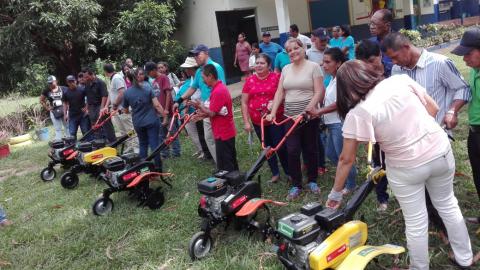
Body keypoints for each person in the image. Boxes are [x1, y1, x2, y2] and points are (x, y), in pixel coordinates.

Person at [326, 60, 473, 270]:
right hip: (440, 151)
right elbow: (433, 108)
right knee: (448, 205)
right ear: (368, 72)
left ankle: (419, 267)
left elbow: (346, 159)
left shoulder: (358, 113)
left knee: (416, 221)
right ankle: (465, 259)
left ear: (344, 89)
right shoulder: (401, 81)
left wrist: (335, 194)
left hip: (405, 167)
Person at [384, 32, 472, 238]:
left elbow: (462, 89)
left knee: (438, 191)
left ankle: (446, 228)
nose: (394, 63)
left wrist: (452, 111)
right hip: (410, 140)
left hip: (437, 137)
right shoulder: (397, 70)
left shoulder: (440, 63)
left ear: (406, 47)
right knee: (420, 187)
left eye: (395, 57)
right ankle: (432, 221)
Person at [266, 38, 324, 200]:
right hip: (290, 117)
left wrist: (308, 110)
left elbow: (319, 91)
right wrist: (273, 112)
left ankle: (312, 180)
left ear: (303, 48)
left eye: (295, 48)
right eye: (289, 50)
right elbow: (280, 93)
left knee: (310, 148)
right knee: (292, 150)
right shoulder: (285, 69)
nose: (292, 52)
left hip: (308, 117)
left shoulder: (313, 67)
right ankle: (296, 184)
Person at [312, 47, 357, 194]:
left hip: (340, 122)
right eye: (323, 62)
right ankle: (345, 176)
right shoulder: (332, 78)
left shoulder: (343, 78)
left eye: (327, 62)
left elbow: (341, 103)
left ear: (338, 63)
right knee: (331, 153)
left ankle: (350, 184)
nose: (323, 65)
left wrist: (319, 111)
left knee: (343, 156)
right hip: (331, 123)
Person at [174, 44, 226, 166]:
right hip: (206, 108)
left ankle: (225, 164)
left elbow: (221, 88)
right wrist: (179, 101)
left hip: (215, 108)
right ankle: (220, 164)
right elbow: (192, 88)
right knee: (209, 138)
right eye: (194, 54)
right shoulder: (199, 71)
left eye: (198, 54)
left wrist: (214, 107)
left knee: (218, 138)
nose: (196, 57)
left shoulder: (215, 67)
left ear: (206, 53)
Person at [241, 53, 289, 183]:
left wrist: (274, 102)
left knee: (280, 146)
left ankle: (288, 171)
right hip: (258, 122)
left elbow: (285, 93)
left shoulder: (277, 77)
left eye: (262, 63)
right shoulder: (249, 80)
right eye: (257, 63)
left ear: (269, 65)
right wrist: (246, 122)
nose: (259, 65)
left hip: (276, 119)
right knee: (266, 148)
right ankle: (275, 173)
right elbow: (244, 102)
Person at [355, 39, 390, 211]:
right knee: (378, 165)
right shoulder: (361, 79)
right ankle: (382, 198)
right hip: (375, 129)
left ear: (380, 56)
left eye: (371, 61)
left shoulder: (394, 71)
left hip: (397, 129)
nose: (368, 66)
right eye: (364, 63)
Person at [189, 64, 238, 172]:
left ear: (210, 76)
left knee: (227, 163)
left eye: (203, 78)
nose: (203, 81)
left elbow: (212, 113)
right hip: (222, 131)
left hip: (224, 132)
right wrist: (200, 115)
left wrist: (199, 106)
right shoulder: (216, 89)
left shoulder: (218, 91)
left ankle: (233, 184)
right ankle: (235, 181)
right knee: (228, 160)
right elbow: (216, 111)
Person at [451, 27, 480, 206]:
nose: (464, 59)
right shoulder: (474, 71)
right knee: (478, 176)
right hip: (474, 132)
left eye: (468, 53)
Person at [123, 68, 166, 169]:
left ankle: (144, 169)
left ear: (128, 80)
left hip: (138, 122)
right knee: (154, 145)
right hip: (152, 121)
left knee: (143, 145)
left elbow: (125, 111)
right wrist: (165, 116)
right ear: (137, 77)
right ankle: (158, 169)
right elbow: (157, 105)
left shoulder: (127, 93)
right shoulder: (147, 88)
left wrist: (134, 110)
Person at [144, 62, 177, 158]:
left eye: (149, 73)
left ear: (154, 70)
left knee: (172, 132)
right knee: (162, 134)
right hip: (158, 113)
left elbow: (168, 93)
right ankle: (165, 153)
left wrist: (166, 109)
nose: (148, 75)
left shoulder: (163, 78)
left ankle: (176, 152)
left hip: (167, 111)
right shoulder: (154, 81)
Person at [102, 63, 138, 153]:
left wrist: (114, 105)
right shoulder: (112, 79)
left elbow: (122, 93)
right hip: (116, 110)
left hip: (122, 108)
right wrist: (107, 106)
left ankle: (136, 148)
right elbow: (111, 94)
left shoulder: (117, 78)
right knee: (122, 131)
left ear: (105, 72)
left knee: (130, 129)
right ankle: (129, 146)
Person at [176, 57, 205, 158]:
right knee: (201, 132)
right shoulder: (193, 78)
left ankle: (205, 152)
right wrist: (179, 101)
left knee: (203, 132)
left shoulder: (199, 76)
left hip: (202, 106)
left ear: (192, 68)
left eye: (187, 68)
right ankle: (204, 151)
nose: (185, 71)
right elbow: (191, 91)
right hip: (196, 107)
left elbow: (198, 92)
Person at [82, 67, 116, 143]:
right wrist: (87, 108)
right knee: (94, 126)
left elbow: (105, 96)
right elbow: (88, 96)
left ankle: (113, 142)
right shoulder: (87, 84)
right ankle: (99, 143)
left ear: (92, 75)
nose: (85, 78)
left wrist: (102, 108)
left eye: (86, 77)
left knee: (106, 125)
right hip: (92, 107)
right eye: (84, 77)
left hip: (100, 106)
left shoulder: (100, 82)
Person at [62, 75, 91, 140]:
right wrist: (65, 114)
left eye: (72, 81)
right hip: (72, 115)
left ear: (75, 81)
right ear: (67, 83)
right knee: (72, 133)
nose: (72, 83)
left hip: (82, 115)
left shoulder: (82, 89)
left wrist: (87, 107)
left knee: (86, 131)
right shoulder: (66, 92)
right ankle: (73, 147)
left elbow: (89, 98)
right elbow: (65, 104)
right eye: (69, 82)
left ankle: (88, 145)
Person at [40, 75, 68, 140]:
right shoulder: (46, 90)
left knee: (67, 127)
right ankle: (59, 144)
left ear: (56, 81)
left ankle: (69, 142)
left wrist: (68, 108)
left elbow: (68, 98)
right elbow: (41, 100)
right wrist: (47, 108)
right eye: (49, 83)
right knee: (58, 129)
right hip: (54, 111)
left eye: (52, 82)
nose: (50, 84)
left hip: (64, 110)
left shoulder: (63, 88)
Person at [369, 8, 394, 77]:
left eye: (374, 24)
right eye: (370, 23)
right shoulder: (370, 43)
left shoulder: (398, 42)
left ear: (387, 26)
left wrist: (380, 64)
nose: (371, 27)